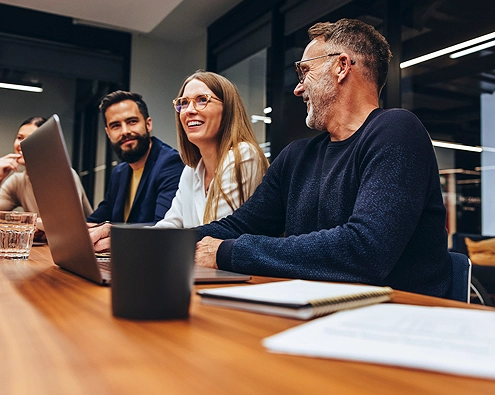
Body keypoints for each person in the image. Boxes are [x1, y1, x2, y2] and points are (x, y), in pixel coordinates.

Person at [191, 19, 452, 298]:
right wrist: (166, 242)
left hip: (400, 321)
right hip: (319, 310)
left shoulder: (397, 131)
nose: (298, 89)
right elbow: (238, 226)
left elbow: (364, 251)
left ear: (341, 66)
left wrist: (230, 251)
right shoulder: (295, 157)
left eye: (305, 72)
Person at [154, 70, 269, 228]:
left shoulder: (243, 155)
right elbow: (171, 225)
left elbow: (216, 234)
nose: (189, 110)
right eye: (184, 103)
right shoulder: (191, 171)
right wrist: (125, 238)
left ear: (228, 109)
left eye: (202, 100)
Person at [86, 90, 184, 224]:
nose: (125, 131)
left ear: (148, 124)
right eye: (116, 126)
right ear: (108, 133)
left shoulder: (170, 163)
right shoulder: (119, 172)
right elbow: (98, 218)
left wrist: (111, 234)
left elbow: (163, 228)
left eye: (132, 121)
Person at [0, 116, 93, 239]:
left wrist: (26, 224)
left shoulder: (64, 175)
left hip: (81, 245)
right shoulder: (17, 181)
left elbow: (67, 225)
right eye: (20, 138)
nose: (22, 144)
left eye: (30, 139)